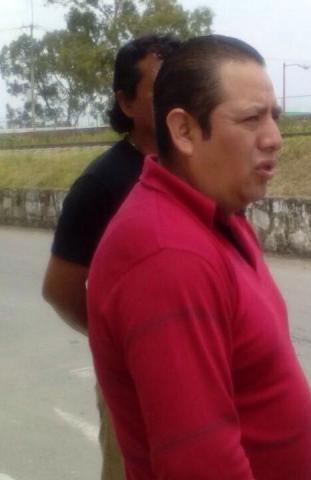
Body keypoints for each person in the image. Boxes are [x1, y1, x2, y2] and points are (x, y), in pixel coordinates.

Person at [87, 34, 311, 480]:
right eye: (251, 118)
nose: (275, 138)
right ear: (184, 131)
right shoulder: (167, 255)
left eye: (275, 116)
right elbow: (200, 464)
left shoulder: (221, 215)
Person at [42, 35, 180, 480]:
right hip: (134, 381)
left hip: (203, 367)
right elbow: (60, 289)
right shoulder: (101, 184)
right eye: (160, 89)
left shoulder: (199, 168)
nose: (177, 99)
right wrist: (122, 340)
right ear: (126, 102)